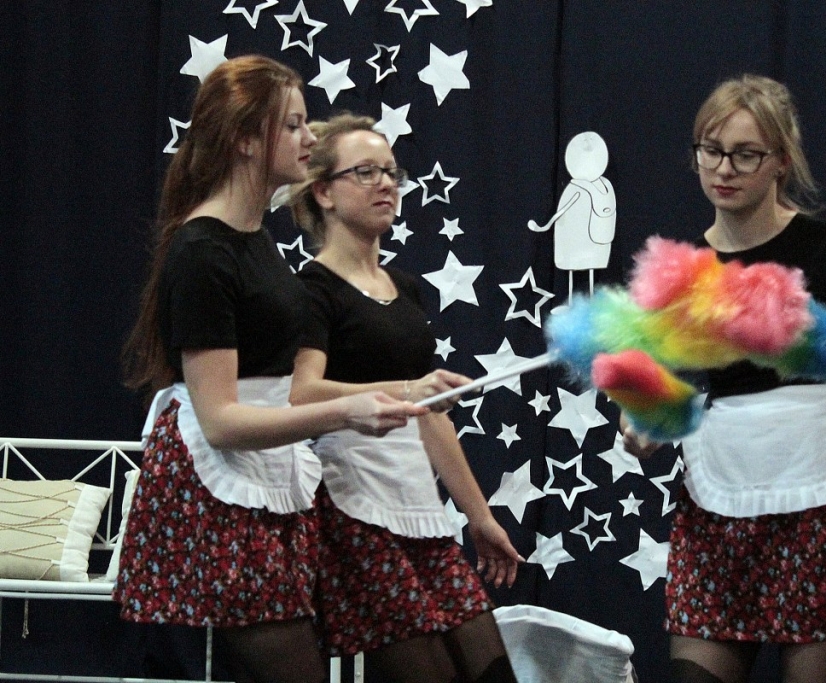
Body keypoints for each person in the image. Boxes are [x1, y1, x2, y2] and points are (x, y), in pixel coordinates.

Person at [621, 74, 826, 683]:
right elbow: (646, 394)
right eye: (711, 150)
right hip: (720, 504)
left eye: (745, 154)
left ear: (781, 161)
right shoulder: (680, 275)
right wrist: (642, 423)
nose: (724, 169)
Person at [115, 56, 426, 683]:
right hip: (223, 491)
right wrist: (345, 412)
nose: (309, 138)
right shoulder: (203, 251)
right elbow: (222, 421)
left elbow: (281, 387)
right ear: (245, 139)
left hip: (264, 477)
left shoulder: (254, 239)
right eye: (293, 125)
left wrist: (395, 392)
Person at [288, 113, 522, 683]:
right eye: (365, 172)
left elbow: (430, 418)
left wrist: (480, 517)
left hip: (419, 508)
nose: (386, 185)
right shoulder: (312, 290)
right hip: (355, 510)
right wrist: (406, 389)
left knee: (493, 670)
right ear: (323, 192)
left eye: (391, 172)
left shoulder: (407, 289)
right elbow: (301, 393)